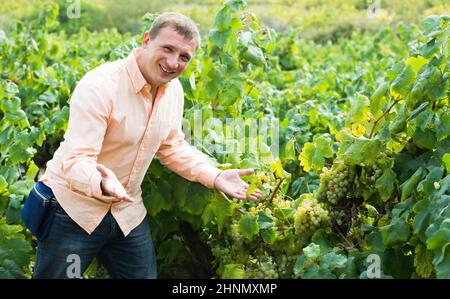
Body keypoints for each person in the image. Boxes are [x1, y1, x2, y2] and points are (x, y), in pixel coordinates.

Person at [31, 12, 262, 279]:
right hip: (74, 212)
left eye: (184, 57)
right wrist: (101, 183)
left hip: (126, 213)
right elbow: (76, 160)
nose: (173, 62)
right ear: (146, 40)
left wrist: (216, 175)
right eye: (167, 49)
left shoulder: (173, 91)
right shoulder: (100, 86)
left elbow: (172, 146)